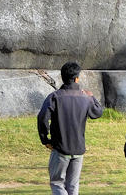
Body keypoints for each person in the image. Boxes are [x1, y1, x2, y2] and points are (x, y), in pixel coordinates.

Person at [37, 61, 103, 195]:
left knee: (57, 183)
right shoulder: (85, 97)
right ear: (76, 78)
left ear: (62, 77)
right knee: (73, 185)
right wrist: (92, 97)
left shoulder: (54, 97)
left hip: (60, 148)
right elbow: (97, 112)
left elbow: (42, 117)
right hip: (78, 149)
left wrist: (45, 139)